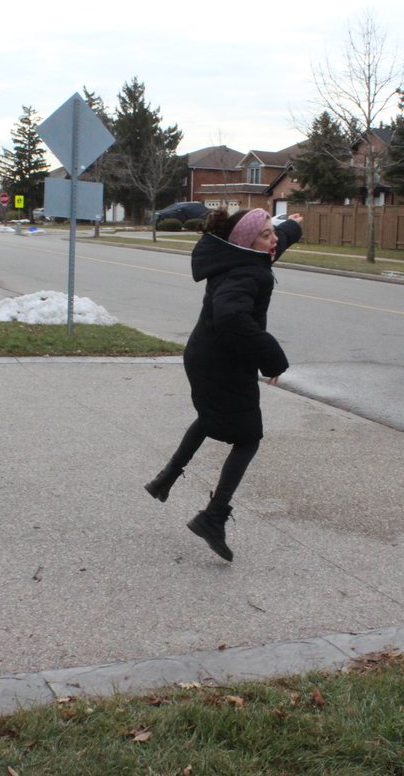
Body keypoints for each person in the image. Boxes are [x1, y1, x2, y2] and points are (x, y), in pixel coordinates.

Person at [144, 208, 303, 561]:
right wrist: (271, 357)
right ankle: (213, 517)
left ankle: (165, 479)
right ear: (248, 242)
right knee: (248, 439)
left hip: (206, 355)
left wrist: (290, 226)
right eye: (266, 234)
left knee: (209, 416)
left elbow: (275, 243)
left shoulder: (242, 256)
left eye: (272, 231)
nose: (273, 239)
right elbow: (231, 316)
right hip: (224, 362)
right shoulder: (246, 272)